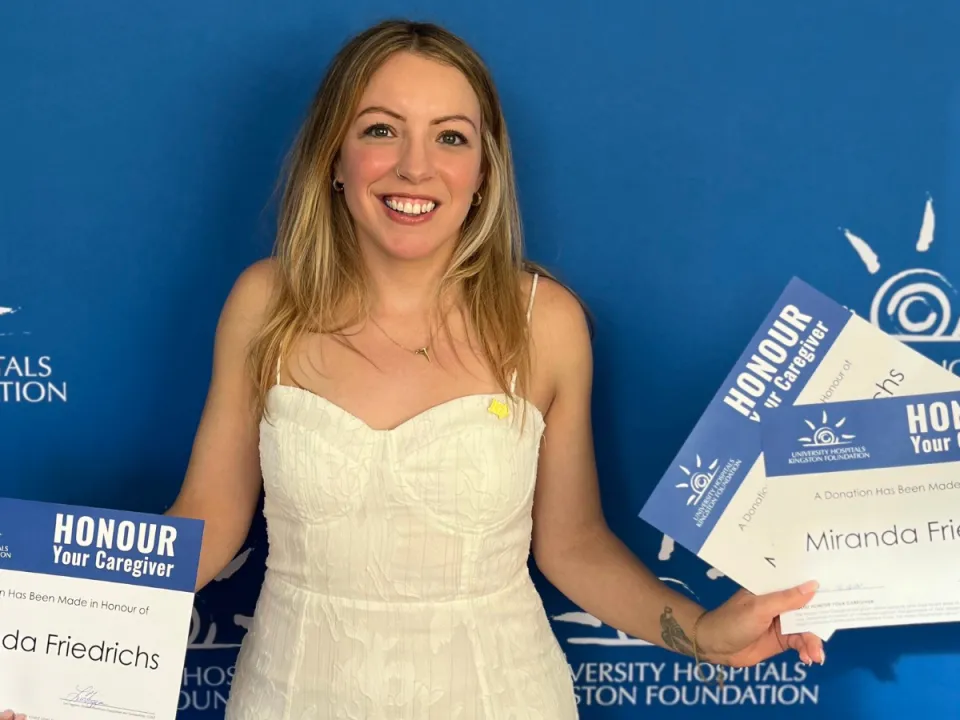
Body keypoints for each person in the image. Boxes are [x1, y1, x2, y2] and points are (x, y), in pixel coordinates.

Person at [2, 18, 824, 720]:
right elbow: (207, 525)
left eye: (450, 138)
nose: (414, 168)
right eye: (381, 129)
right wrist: (49, 642)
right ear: (334, 154)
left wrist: (702, 633)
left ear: (482, 173)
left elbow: (571, 545)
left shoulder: (547, 323)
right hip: (292, 695)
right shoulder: (264, 304)